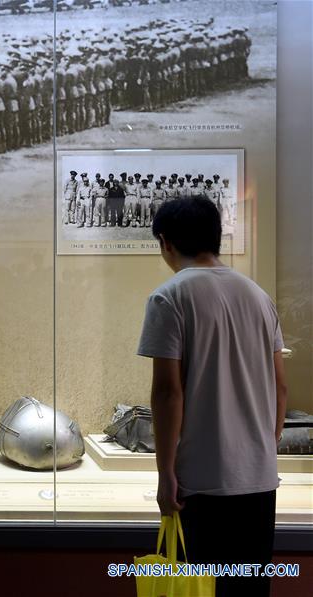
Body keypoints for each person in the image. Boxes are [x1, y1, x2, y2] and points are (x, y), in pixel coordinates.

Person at [137, 198, 287, 597]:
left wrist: (165, 473)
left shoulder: (168, 297)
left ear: (165, 243)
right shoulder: (258, 296)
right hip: (258, 480)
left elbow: (169, 393)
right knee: (247, 590)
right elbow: (280, 385)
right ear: (216, 238)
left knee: (200, 588)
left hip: (201, 483)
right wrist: (264, 449)